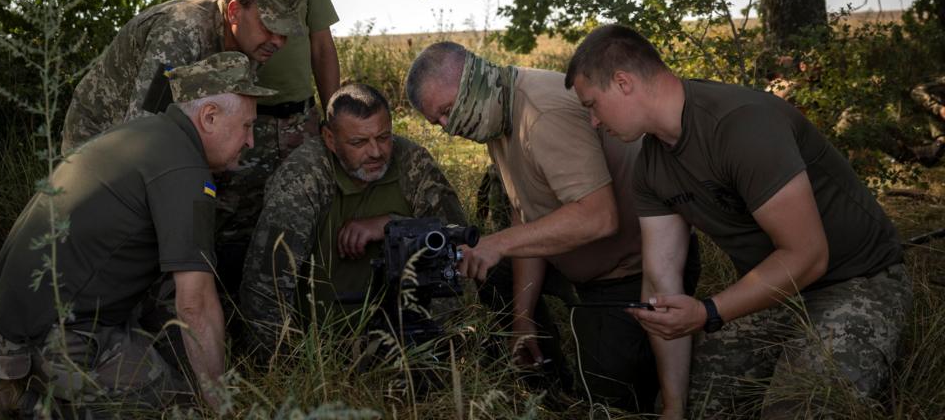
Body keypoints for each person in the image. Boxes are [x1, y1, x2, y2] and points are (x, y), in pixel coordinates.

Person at [565, 24, 912, 419]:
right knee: (691, 403)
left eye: (591, 104)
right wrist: (675, 409)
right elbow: (661, 280)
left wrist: (709, 312)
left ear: (623, 82)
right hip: (774, 294)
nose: (592, 121)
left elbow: (809, 255)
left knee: (797, 409)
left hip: (857, 280)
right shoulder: (650, 166)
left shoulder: (740, 122)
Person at [0, 52, 273, 417]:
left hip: (19, 317)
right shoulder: (184, 169)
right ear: (209, 117)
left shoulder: (145, 134)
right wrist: (219, 404)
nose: (251, 141)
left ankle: (26, 381)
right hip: (56, 333)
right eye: (247, 126)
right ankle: (21, 404)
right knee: (177, 409)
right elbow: (195, 304)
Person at [404, 42, 697, 413]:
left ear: (470, 79)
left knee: (608, 405)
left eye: (448, 111)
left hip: (631, 272)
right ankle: (546, 379)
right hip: (576, 263)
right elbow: (525, 213)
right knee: (492, 271)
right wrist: (522, 318)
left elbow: (599, 217)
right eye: (438, 122)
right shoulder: (494, 111)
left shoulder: (539, 114)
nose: (450, 127)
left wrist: (498, 243)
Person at [184, 0, 342, 284]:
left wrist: (334, 118)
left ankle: (301, 321)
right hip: (237, 129)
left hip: (301, 124)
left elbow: (323, 48)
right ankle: (234, 324)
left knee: (308, 226)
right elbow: (199, 63)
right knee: (232, 234)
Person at [239, 83, 466, 361]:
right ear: (330, 139)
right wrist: (289, 370)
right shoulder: (303, 177)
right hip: (320, 348)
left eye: (384, 137)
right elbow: (265, 287)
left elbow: (460, 250)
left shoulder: (411, 162)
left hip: (409, 340)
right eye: (358, 142)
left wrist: (392, 225)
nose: (376, 152)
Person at [61, 0, 307, 152]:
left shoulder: (249, 41)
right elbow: (143, 132)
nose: (278, 41)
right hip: (99, 141)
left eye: (285, 32)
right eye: (270, 27)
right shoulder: (180, 32)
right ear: (234, 11)